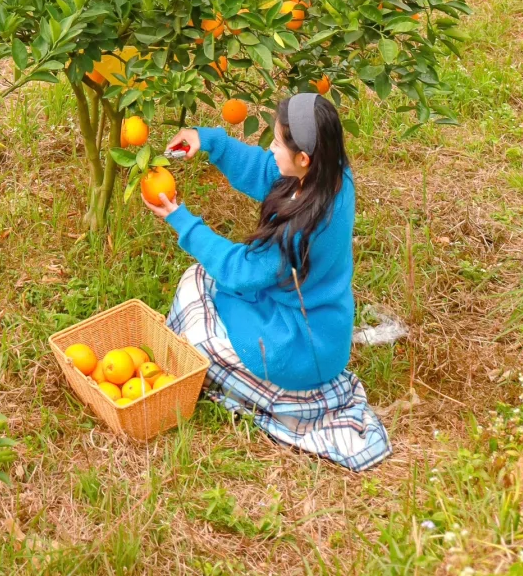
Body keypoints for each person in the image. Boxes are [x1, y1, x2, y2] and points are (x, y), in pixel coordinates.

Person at [144, 91, 391, 470]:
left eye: (277, 142)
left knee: (197, 286)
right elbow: (265, 172)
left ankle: (230, 380)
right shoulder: (333, 176)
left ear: (304, 158)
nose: (271, 148)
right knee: (215, 286)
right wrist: (209, 140)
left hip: (295, 352)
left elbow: (239, 271)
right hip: (327, 334)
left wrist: (181, 220)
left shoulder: (299, 230)